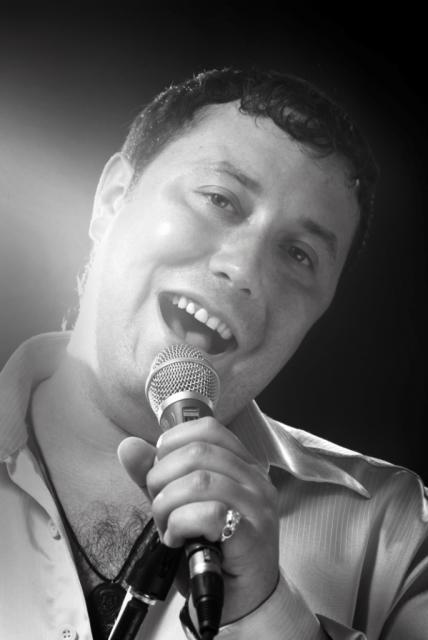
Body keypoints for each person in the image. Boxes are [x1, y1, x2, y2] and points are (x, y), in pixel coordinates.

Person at [0, 67, 426, 640]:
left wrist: (269, 612)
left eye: (298, 254)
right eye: (220, 199)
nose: (244, 269)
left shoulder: (395, 530)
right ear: (112, 199)